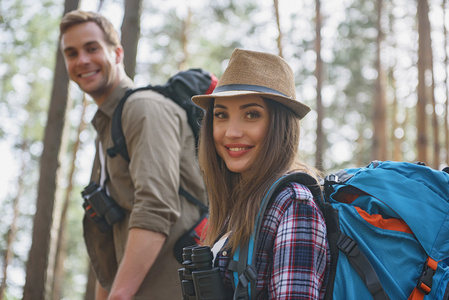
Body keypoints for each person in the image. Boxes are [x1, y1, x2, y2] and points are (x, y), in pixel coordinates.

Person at [59, 10, 206, 299]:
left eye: (92, 48)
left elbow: (156, 206)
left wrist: (119, 295)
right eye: (71, 53)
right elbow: (110, 233)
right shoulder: (109, 125)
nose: (83, 60)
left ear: (117, 53)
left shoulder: (143, 109)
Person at [192, 49, 330, 299]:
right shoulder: (238, 207)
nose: (232, 132)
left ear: (280, 125)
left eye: (251, 114)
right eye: (221, 115)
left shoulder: (293, 206)